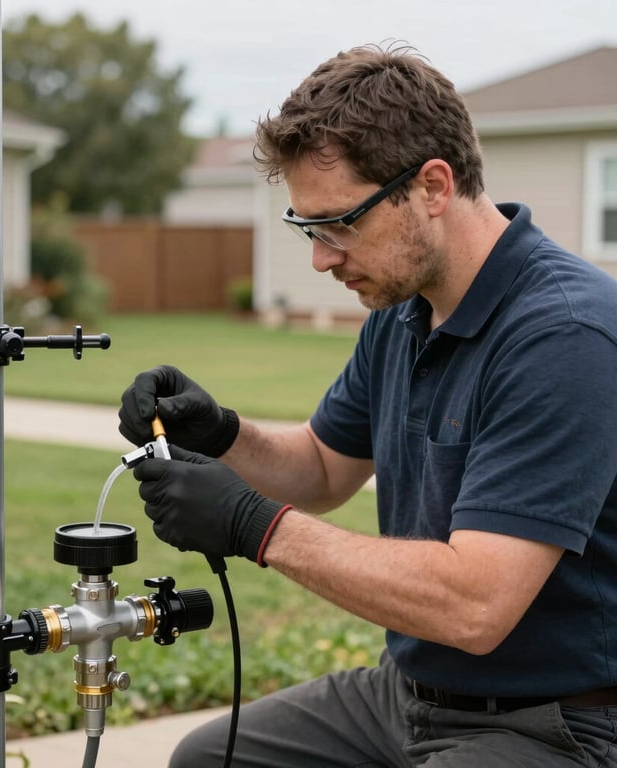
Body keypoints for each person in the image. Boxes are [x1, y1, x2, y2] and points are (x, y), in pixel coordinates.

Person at [118, 42, 617, 767]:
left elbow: (476, 606)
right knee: (209, 758)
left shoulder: (564, 334)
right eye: (307, 228)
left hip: (558, 723)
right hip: (406, 696)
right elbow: (323, 468)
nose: (322, 257)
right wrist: (221, 432)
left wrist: (253, 525)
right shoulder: (403, 309)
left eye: (340, 223)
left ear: (434, 187)